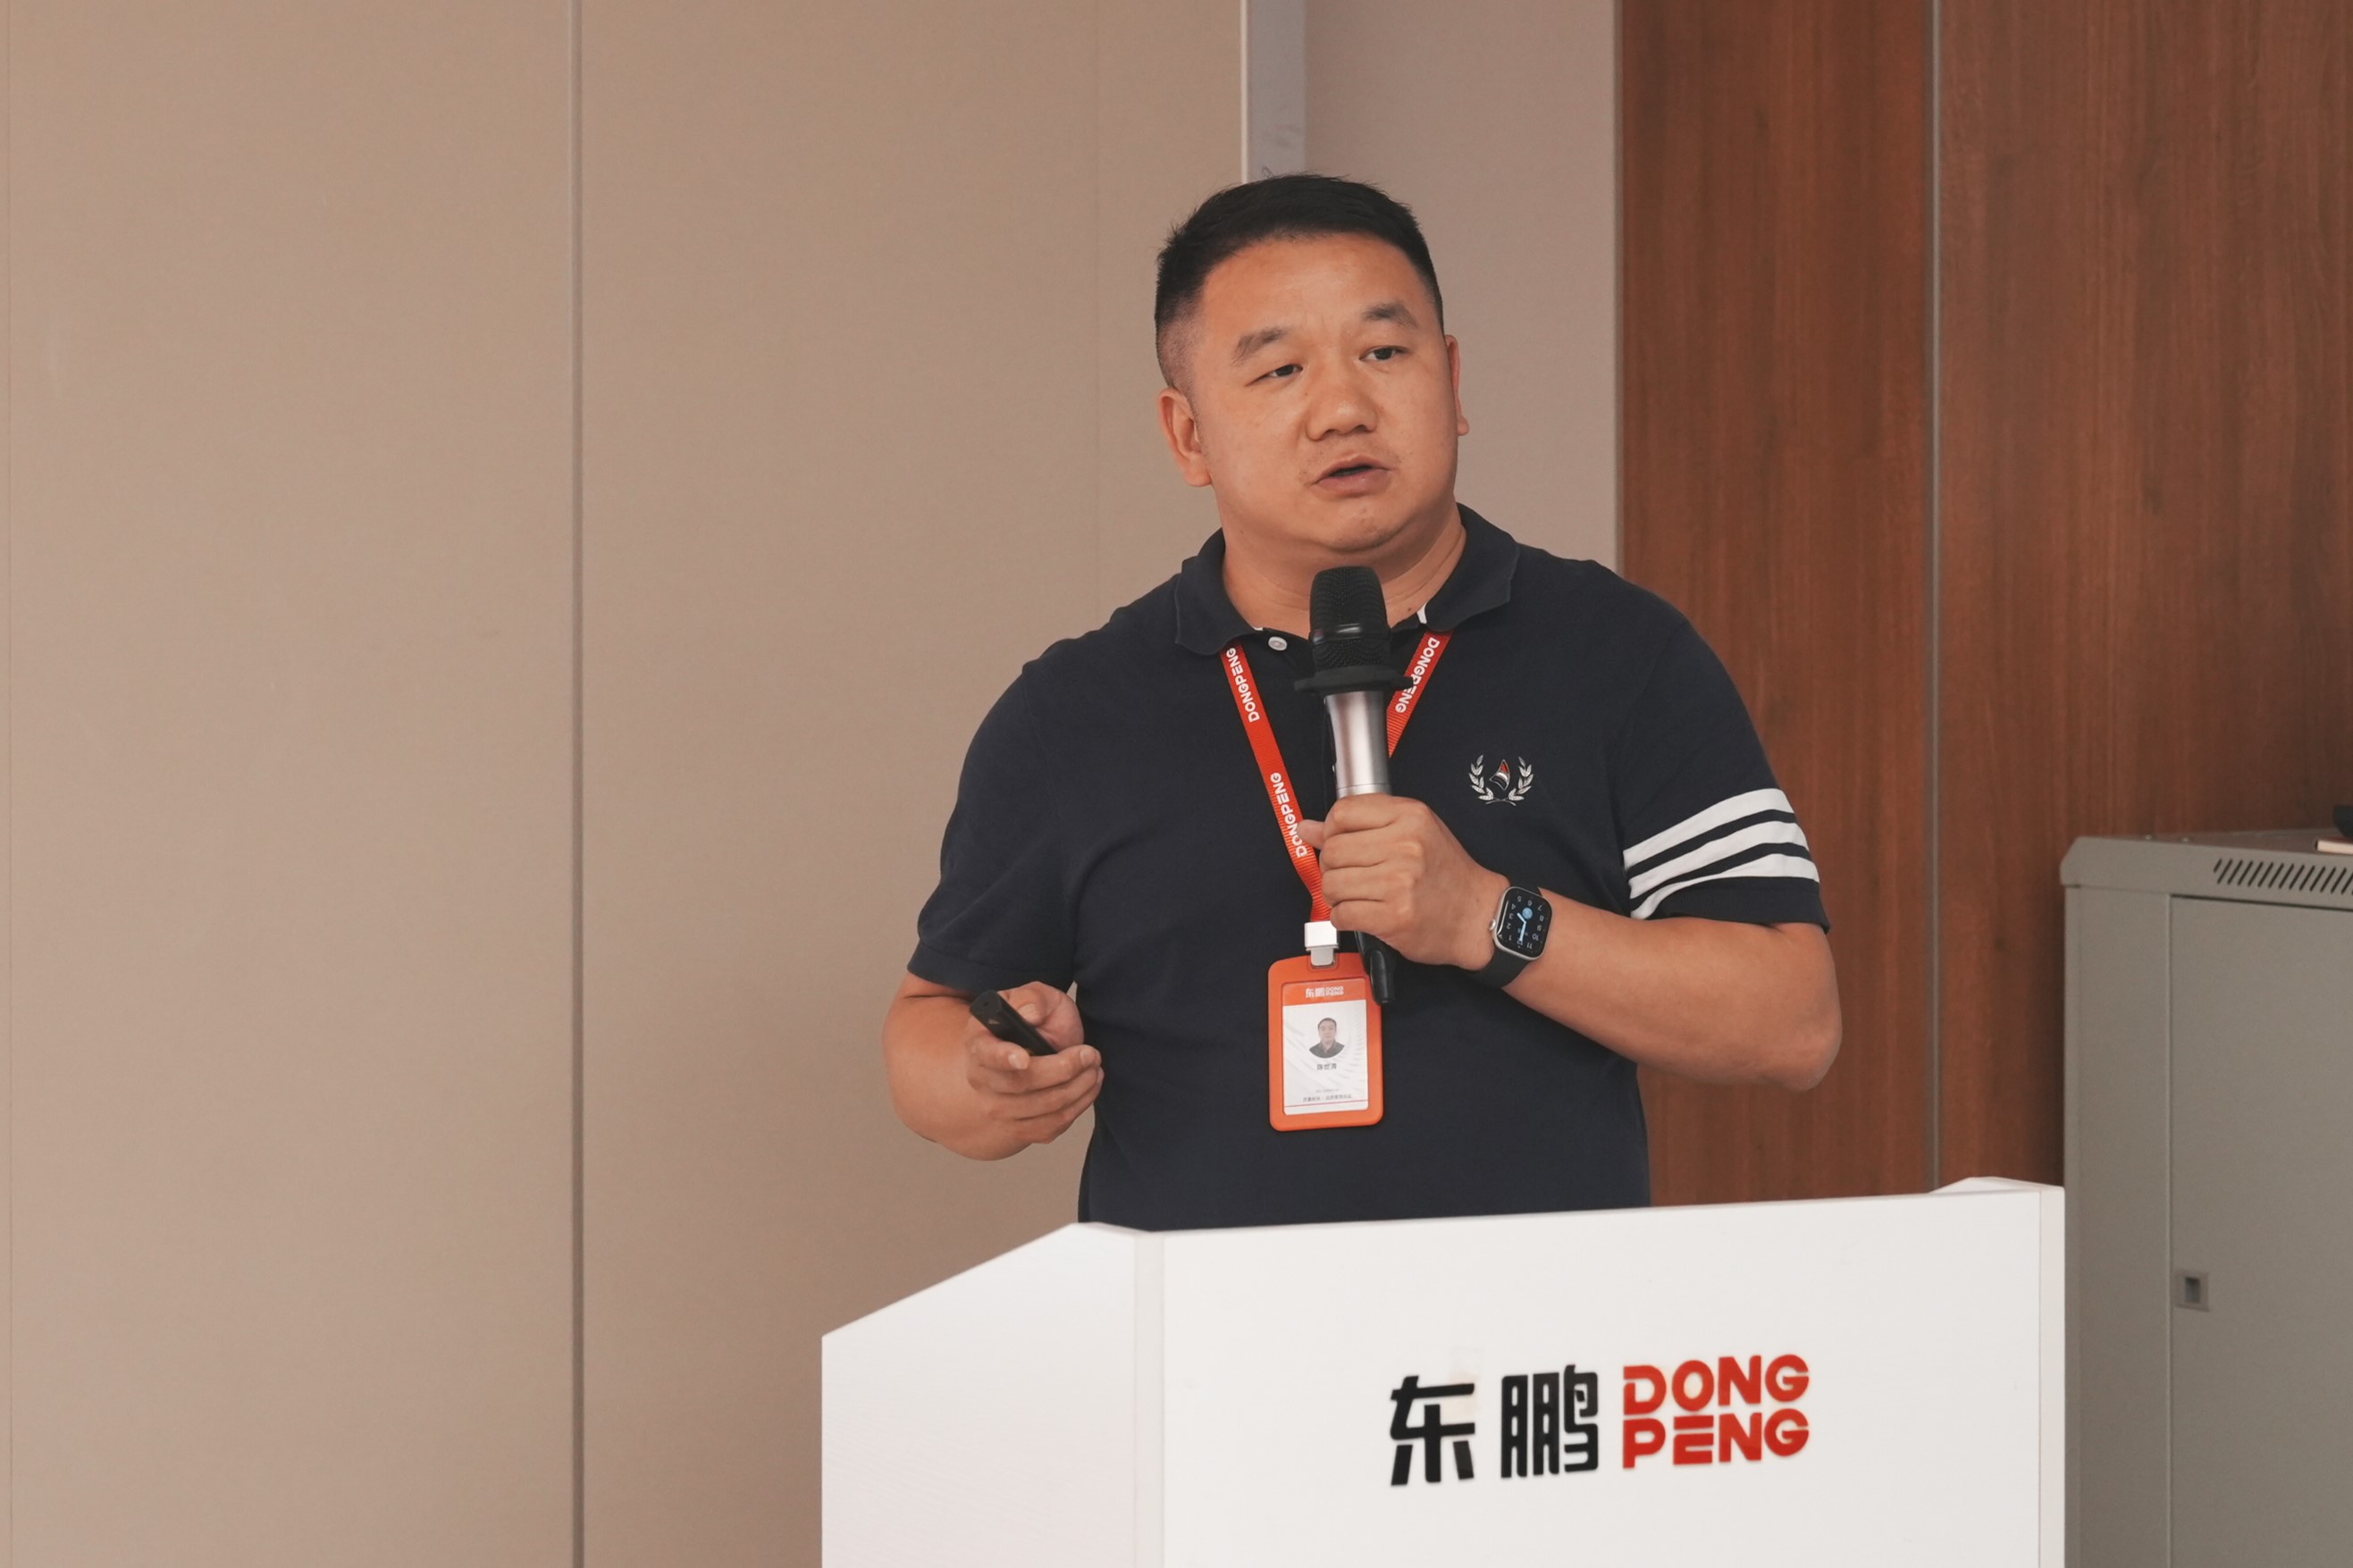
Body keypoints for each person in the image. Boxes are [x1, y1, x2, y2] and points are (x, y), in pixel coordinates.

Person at [881, 174, 1839, 1231]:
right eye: (1279, 369)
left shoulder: (1615, 652)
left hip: (1533, 1325)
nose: (1342, 408)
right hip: (1206, 1329)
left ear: (1452, 380)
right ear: (1187, 435)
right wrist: (987, 1076)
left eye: (1383, 353)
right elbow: (928, 1028)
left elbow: (1789, 1021)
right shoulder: (1075, 712)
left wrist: (1485, 918)